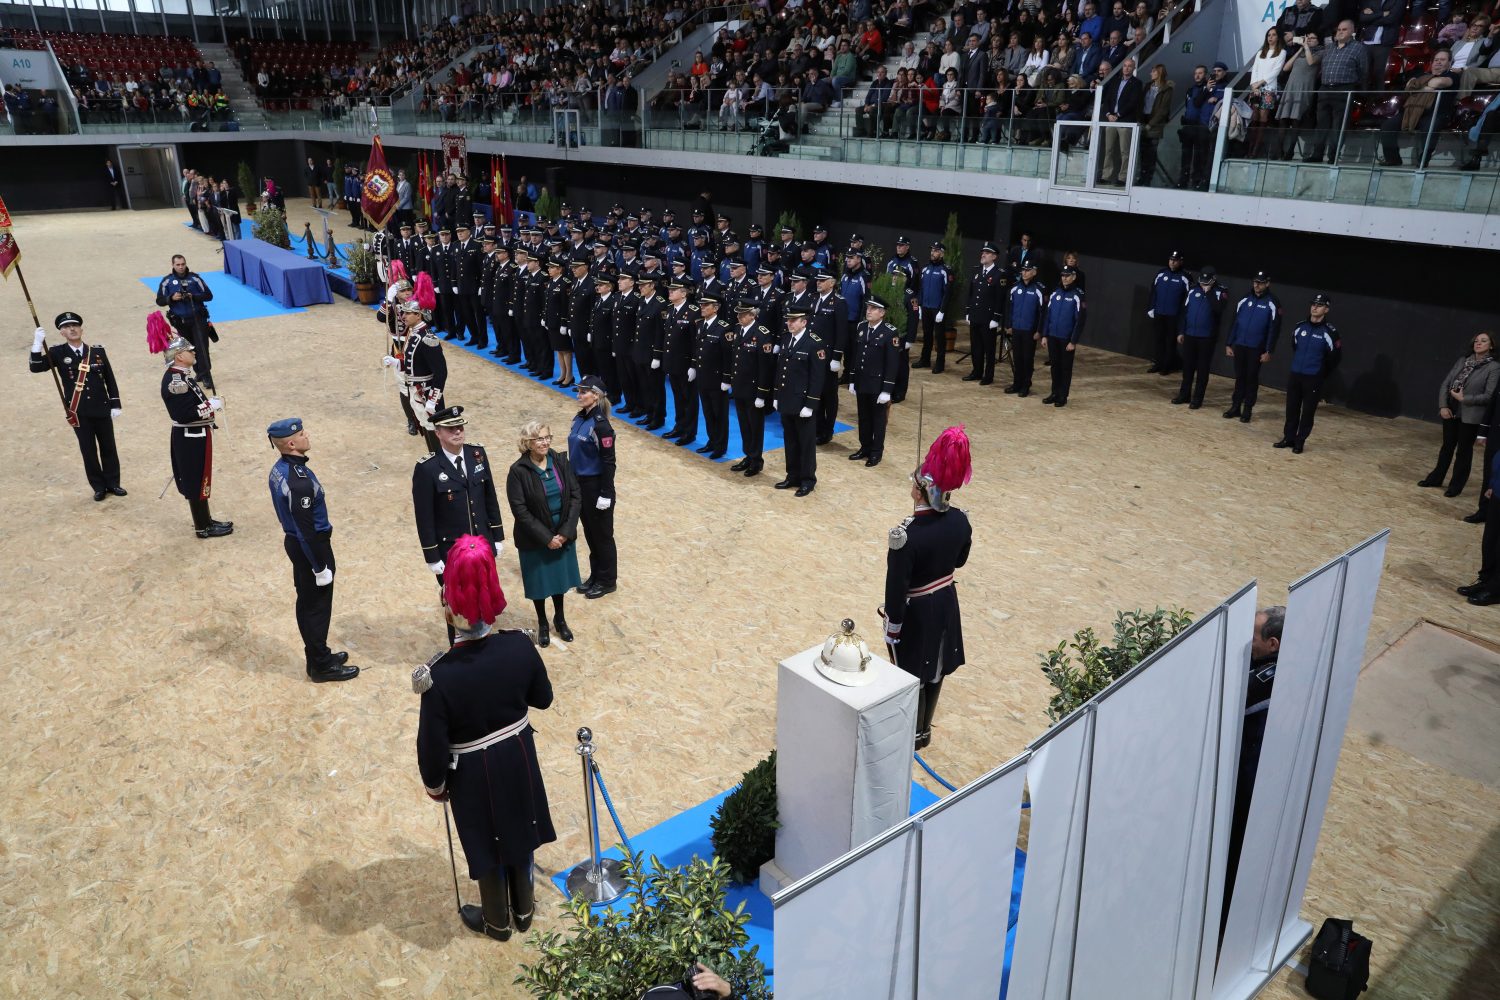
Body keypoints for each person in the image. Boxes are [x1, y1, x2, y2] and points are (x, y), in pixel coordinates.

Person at [414, 535, 555, 941]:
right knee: (522, 829)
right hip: (518, 755)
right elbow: (543, 699)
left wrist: (436, 785)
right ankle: (524, 911)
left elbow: (432, 747)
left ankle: (497, 922)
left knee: (487, 844)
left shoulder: (439, 676)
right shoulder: (520, 646)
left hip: (473, 773)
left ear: (449, 605)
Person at [882, 426, 973, 749]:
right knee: (937, 666)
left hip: (918, 609)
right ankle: (923, 731)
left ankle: (910, 732)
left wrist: (893, 624)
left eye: (915, 484)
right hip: (946, 599)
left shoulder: (906, 536)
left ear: (922, 492)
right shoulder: (961, 520)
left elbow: (897, 587)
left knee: (912, 668)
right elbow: (960, 560)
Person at [266, 418, 359, 683]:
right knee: (317, 608)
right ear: (291, 444)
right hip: (311, 547)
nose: (307, 435)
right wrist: (320, 567)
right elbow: (306, 530)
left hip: (296, 543)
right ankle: (320, 666)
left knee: (308, 603)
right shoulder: (299, 482)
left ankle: (319, 655)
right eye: (302, 434)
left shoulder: (280, 469)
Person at [412, 406, 506, 640]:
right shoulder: (428, 468)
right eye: (450, 428)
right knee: (457, 603)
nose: (457, 432)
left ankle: (484, 642)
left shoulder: (477, 454)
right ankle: (458, 646)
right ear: (438, 433)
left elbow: (489, 496)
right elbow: (424, 516)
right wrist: (432, 556)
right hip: (451, 552)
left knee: (484, 595)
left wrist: (497, 535)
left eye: (460, 427)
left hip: (482, 546)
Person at [1223, 606, 1283, 921]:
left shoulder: (1261, 682)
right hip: (1264, 782)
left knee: (1232, 851)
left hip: (1245, 785)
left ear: (1272, 644)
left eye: (1254, 635)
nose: (1248, 641)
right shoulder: (1295, 665)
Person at [30, 312, 124, 501]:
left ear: (81, 329)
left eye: (74, 325)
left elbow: (109, 379)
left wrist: (115, 404)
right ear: (61, 333)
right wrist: (37, 344)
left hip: (101, 408)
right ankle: (98, 487)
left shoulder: (97, 352)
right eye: (66, 327)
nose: (72, 329)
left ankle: (113, 483)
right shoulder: (57, 353)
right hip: (79, 411)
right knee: (88, 450)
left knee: (109, 447)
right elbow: (36, 367)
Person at [506, 420, 582, 647]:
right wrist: (547, 538)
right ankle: (542, 622)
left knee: (559, 581)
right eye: (539, 438)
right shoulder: (518, 471)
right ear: (527, 442)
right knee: (539, 583)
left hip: (562, 532)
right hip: (534, 537)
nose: (545, 442)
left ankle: (560, 618)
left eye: (547, 437)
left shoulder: (560, 461)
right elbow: (520, 510)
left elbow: (575, 495)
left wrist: (565, 532)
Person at [158, 335, 231, 538]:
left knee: (201, 478)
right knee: (195, 481)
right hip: (189, 437)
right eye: (189, 351)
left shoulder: (183, 375)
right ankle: (202, 527)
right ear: (179, 356)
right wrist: (209, 406)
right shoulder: (176, 381)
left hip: (196, 435)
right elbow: (183, 414)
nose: (194, 352)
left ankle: (206, 520)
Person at [1419, 332, 1498, 497]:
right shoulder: (1463, 360)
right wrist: (1443, 406)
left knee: (1463, 451)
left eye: (1483, 341)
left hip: (1470, 416)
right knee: (1446, 447)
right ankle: (1435, 478)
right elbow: (1445, 383)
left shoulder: (1494, 367)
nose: (1478, 343)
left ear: (1491, 346)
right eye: (1476, 341)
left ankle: (1455, 486)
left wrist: (1464, 399)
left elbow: (1489, 396)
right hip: (1451, 410)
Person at [568, 377, 618, 600]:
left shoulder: (601, 425)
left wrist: (606, 493)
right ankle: (596, 575)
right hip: (580, 485)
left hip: (596, 486)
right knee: (590, 533)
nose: (579, 395)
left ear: (596, 396)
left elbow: (609, 462)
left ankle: (607, 581)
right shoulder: (579, 418)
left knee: (602, 536)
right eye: (578, 391)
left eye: (583, 392)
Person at [1276, 293, 1342, 454]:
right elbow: (1295, 346)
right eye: (1313, 304)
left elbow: (1334, 358)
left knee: (1307, 412)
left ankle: (1300, 441)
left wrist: (1320, 374)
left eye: (1319, 305)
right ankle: (1288, 438)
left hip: (1313, 377)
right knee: (1291, 409)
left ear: (1326, 309)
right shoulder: (1300, 327)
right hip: (1296, 374)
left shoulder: (1330, 332)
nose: (1315, 307)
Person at [775, 306, 825, 496]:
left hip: (803, 402)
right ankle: (792, 475)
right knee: (790, 441)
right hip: (787, 399)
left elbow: (817, 377)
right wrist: (776, 396)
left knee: (806, 443)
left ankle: (807, 479)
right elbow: (780, 371)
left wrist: (810, 404)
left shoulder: (814, 343)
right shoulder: (786, 339)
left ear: (804, 322)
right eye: (788, 320)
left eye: (793, 320)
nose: (789, 323)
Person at [847, 297, 901, 466]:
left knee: (878, 420)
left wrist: (887, 390)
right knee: (863, 417)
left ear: (882, 313)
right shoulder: (862, 327)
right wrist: (852, 379)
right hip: (862, 381)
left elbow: (892, 364)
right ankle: (865, 447)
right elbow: (856, 355)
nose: (868, 311)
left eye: (873, 308)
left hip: (877, 384)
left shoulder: (890, 332)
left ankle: (876, 452)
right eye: (868, 308)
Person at [1224, 271, 1282, 423]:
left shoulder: (1272, 302)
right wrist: (1229, 343)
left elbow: (1274, 329)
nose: (1257, 285)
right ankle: (1235, 407)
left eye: (1260, 282)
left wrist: (1268, 350)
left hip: (1256, 347)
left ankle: (1247, 409)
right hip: (1240, 345)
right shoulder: (1244, 299)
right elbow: (1235, 323)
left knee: (1251, 378)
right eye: (1255, 281)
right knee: (1239, 377)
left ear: (1267, 283)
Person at [155, 254, 217, 392]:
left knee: (202, 348)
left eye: (183, 264)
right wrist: (171, 298)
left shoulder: (195, 278)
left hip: (198, 319)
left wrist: (193, 296)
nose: (181, 267)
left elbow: (209, 295)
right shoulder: (167, 281)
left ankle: (206, 376)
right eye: (178, 265)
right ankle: (199, 373)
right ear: (173, 265)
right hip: (180, 322)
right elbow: (159, 300)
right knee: (189, 349)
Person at [729, 301, 775, 477]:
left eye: (743, 314)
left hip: (754, 390)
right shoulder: (738, 329)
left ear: (753, 315)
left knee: (755, 427)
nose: (739, 317)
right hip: (739, 387)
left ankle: (756, 460)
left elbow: (765, 367)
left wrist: (762, 393)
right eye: (738, 314)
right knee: (744, 425)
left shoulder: (762, 334)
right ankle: (747, 455)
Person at [1173, 266, 1229, 409]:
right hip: (1190, 334)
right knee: (1188, 367)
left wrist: (1208, 292)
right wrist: (1181, 331)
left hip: (1207, 337)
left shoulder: (1221, 292)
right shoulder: (1193, 290)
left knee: (1202, 369)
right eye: (1202, 280)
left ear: (1213, 279)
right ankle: (1184, 395)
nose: (1203, 283)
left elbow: (1219, 309)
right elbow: (1185, 312)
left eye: (1207, 281)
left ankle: (1197, 399)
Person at [694, 292, 734, 459]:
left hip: (717, 380)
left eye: (706, 305)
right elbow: (698, 348)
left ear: (716, 308)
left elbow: (728, 356)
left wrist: (726, 378)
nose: (702, 307)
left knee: (720, 415)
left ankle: (720, 446)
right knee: (708, 413)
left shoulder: (724, 328)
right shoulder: (700, 324)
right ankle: (712, 441)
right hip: (703, 377)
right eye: (701, 305)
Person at [1040, 266, 1086, 406]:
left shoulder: (1078, 295)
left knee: (1065, 368)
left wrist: (1073, 341)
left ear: (1073, 277)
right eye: (1063, 275)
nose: (1064, 278)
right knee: (1055, 366)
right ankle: (1054, 393)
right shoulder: (1055, 293)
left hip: (1066, 339)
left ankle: (1062, 396)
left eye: (1067, 276)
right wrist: (1045, 335)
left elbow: (1080, 320)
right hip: (1053, 336)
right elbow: (1047, 316)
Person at [965, 243, 1006, 384]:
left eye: (987, 253)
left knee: (989, 349)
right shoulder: (976, 271)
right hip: (975, 315)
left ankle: (988, 376)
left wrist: (996, 318)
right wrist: (968, 311)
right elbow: (971, 293)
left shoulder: (999, 274)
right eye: (983, 252)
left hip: (988, 318)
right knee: (975, 346)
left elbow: (1000, 298)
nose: (983, 254)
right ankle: (976, 372)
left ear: (994, 257)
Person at [1004, 261, 1046, 397]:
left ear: (1034, 272)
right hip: (1016, 328)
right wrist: (1009, 325)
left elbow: (1042, 312)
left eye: (1028, 270)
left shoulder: (1039, 289)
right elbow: (1009, 308)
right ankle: (1017, 383)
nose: (1024, 273)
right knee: (1017, 358)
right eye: (1023, 270)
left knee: (1027, 358)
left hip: (1030, 331)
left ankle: (1026, 385)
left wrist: (1039, 331)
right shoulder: (1015, 287)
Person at [1147, 251, 1191, 374]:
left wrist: (1182, 315)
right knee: (1158, 339)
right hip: (1159, 312)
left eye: (1175, 260)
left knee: (1170, 342)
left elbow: (1188, 298)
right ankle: (1158, 363)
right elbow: (1153, 291)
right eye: (1171, 259)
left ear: (1180, 262)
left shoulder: (1185, 277)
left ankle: (1167, 366)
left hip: (1173, 316)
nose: (1172, 262)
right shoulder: (1161, 273)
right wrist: (1151, 307)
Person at [914, 242, 952, 373]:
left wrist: (942, 311)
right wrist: (919, 305)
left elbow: (948, 293)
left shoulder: (946, 270)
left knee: (940, 337)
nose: (932, 253)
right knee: (926, 335)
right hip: (925, 307)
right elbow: (921, 289)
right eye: (932, 250)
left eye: (936, 251)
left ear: (942, 253)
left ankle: (940, 363)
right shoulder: (925, 269)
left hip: (938, 309)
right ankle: (925, 359)